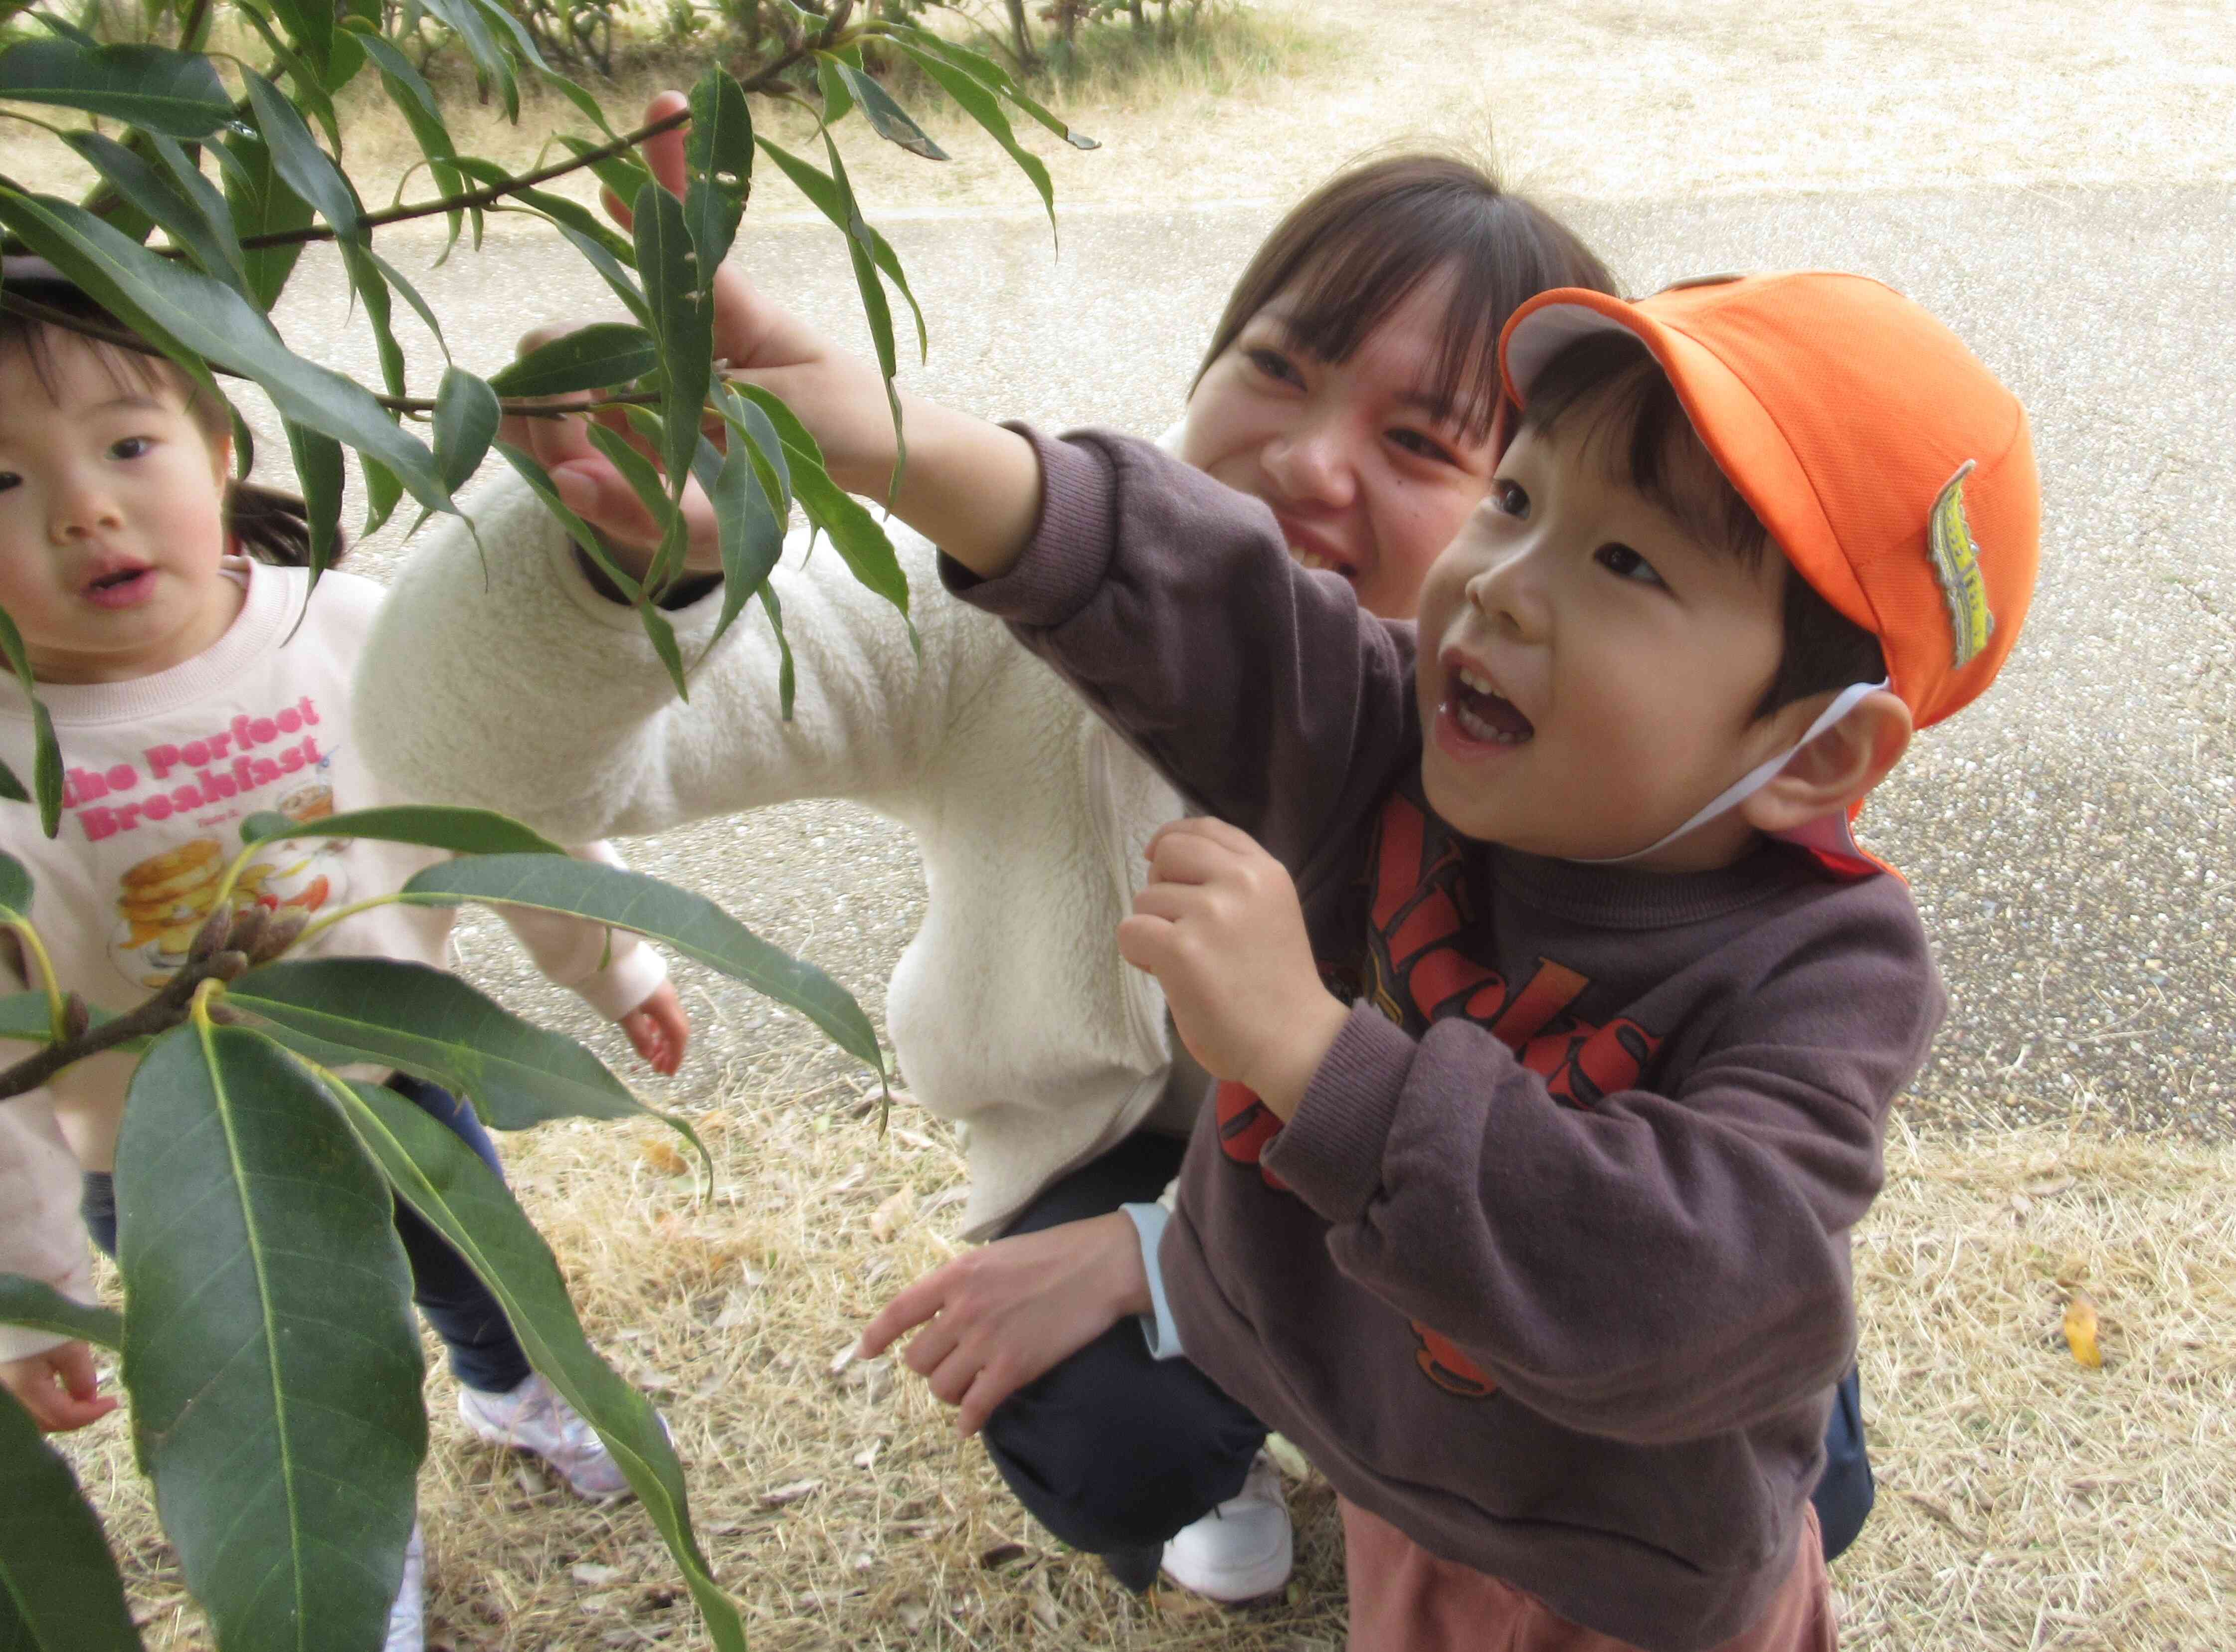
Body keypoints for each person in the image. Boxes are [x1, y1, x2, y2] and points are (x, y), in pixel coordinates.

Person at [656, 246, 2039, 1646]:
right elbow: (1214, 599)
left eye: (1625, 558)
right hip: (1399, 1474)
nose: (1497, 582)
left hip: (1618, 1569)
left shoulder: (1822, 969)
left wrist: (1316, 1055)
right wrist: (896, 444)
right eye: (1513, 498)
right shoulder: (1385, 743)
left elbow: (1700, 1279)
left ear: (1814, 755)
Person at [357, 108, 1615, 1602]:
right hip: (1106, 1148)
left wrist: (1160, 1260)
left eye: (1419, 441)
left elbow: (1560, 1171)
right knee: (1116, 1435)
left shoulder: (1570, 745)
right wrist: (629, 569)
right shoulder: (1023, 603)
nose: (1304, 460)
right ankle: (1218, 1450)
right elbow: (464, 772)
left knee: (1779, 1444)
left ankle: (1338, 1400)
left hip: (1396, 1154)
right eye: (1273, 368)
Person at [0, 267, 692, 1652]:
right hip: (169, 1161)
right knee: (271, 1380)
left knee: (483, 1270)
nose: (86, 508)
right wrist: (31, 1299)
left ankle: (514, 1387)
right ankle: (338, 1551)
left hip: (393, 1072)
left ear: (220, 447)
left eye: (131, 444)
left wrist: (609, 965)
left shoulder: (353, 628)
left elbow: (497, 803)